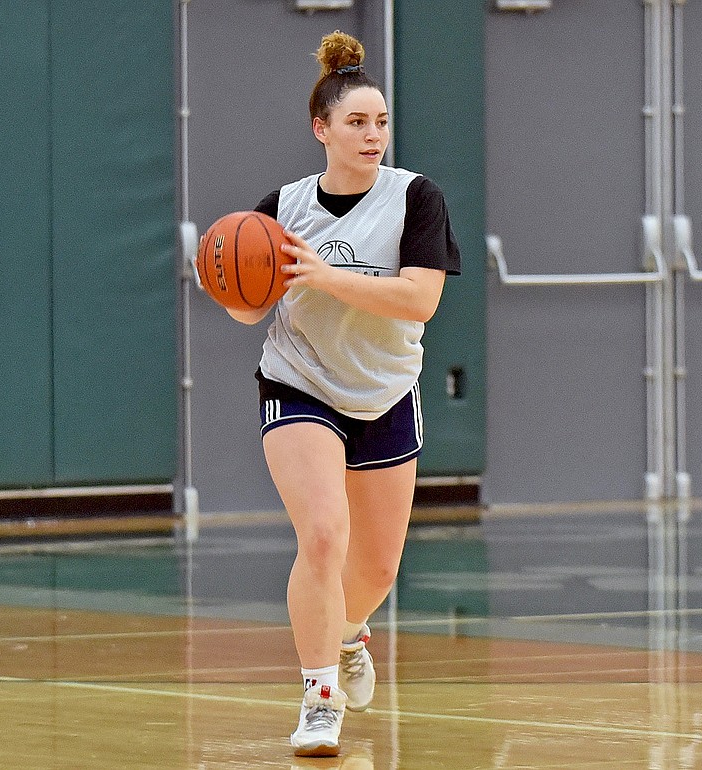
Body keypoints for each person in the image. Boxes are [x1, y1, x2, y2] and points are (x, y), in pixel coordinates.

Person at [224, 30, 461, 758]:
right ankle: (319, 696)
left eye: (382, 121)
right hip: (299, 382)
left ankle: (350, 629)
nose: (373, 134)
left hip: (384, 389)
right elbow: (247, 309)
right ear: (321, 128)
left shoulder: (415, 197)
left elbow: (419, 300)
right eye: (357, 122)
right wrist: (232, 274)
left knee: (378, 568)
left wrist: (322, 275)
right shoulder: (283, 208)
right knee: (324, 533)